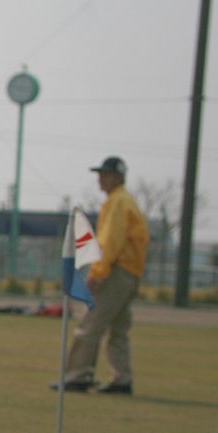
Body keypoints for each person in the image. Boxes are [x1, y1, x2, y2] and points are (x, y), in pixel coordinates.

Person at [56, 156, 149, 394]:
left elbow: (110, 241)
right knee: (118, 330)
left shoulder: (117, 202)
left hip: (116, 271)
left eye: (105, 174)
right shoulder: (128, 201)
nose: (100, 179)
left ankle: (78, 374)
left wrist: (98, 272)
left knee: (90, 324)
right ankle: (122, 379)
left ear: (118, 177)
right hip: (131, 272)